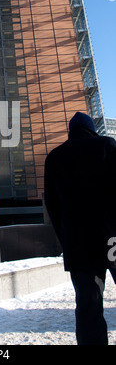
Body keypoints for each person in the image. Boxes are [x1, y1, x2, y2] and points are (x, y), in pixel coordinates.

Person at [44, 111, 116, 345]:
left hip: (79, 245)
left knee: (88, 305)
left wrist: (67, 240)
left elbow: (53, 207)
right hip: (111, 237)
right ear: (92, 128)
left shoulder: (54, 158)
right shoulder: (107, 145)